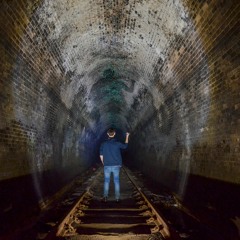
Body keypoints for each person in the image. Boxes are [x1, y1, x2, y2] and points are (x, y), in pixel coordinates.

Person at [100, 128, 130, 202]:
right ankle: (117, 198)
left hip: (107, 165)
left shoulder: (103, 144)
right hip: (116, 165)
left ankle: (105, 197)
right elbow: (125, 146)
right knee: (116, 181)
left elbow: (101, 155)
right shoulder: (117, 143)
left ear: (107, 134)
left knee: (106, 181)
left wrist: (104, 163)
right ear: (114, 134)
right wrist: (127, 136)